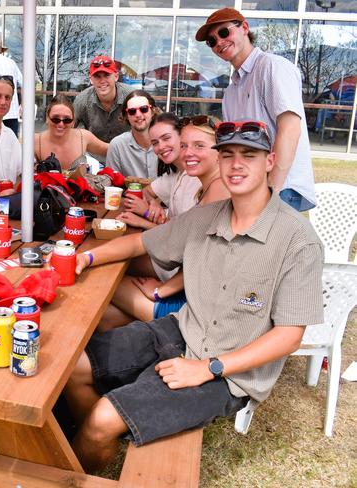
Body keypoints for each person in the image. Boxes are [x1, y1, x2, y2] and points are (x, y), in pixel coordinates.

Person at [64, 119, 323, 473]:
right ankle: (100, 443)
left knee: (101, 420)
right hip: (182, 329)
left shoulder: (298, 240)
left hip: (227, 371)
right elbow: (142, 241)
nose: (236, 164)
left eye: (249, 154)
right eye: (228, 154)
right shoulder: (207, 217)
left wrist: (207, 368)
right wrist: (86, 257)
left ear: (270, 160)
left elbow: (289, 336)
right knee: (72, 366)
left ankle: (93, 443)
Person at [104, 116, 229, 330]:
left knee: (106, 282)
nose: (189, 152)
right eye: (186, 146)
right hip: (188, 286)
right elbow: (193, 249)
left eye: (198, 146)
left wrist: (161, 290)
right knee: (106, 315)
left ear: (219, 152)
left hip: (193, 311)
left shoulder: (217, 192)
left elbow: (195, 255)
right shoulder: (197, 181)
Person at [196, 8, 316, 212]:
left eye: (224, 32)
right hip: (251, 187)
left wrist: (271, 191)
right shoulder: (232, 90)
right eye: (212, 41)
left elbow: (290, 129)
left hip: (282, 188)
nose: (219, 42)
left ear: (244, 28)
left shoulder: (272, 67)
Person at [34, 94, 108, 171]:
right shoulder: (35, 140)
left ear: (73, 121)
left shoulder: (84, 137)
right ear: (47, 118)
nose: (61, 124)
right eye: (55, 119)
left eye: (67, 120)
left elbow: (112, 149)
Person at [73, 55, 134, 144]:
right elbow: (67, 128)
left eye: (107, 75)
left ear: (116, 76)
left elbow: (153, 122)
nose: (102, 80)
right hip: (93, 154)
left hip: (127, 152)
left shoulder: (131, 96)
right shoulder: (81, 100)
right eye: (97, 76)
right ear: (91, 79)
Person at [106, 90, 159, 178]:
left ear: (153, 111)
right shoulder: (117, 145)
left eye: (144, 109)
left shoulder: (166, 142)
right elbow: (111, 186)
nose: (138, 114)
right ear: (126, 116)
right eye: (132, 111)